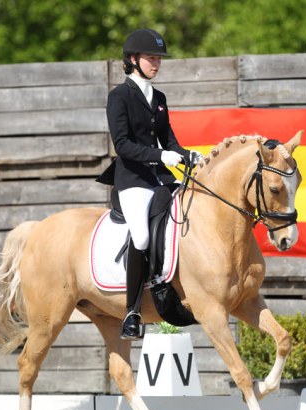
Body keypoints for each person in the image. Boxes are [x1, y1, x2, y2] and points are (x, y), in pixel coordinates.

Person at [97, 28, 203, 340]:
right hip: (132, 181)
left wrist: (188, 155)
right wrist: (160, 156)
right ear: (132, 59)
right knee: (141, 236)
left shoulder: (158, 98)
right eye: (151, 57)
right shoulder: (119, 97)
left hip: (159, 179)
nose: (156, 63)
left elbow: (169, 140)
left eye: (158, 58)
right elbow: (124, 145)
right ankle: (132, 311)